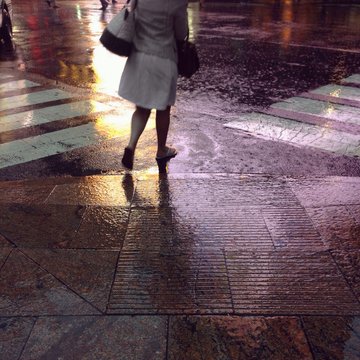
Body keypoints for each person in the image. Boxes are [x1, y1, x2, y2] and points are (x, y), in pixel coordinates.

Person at [119, 0, 188, 170]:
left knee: (141, 109)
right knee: (163, 108)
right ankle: (161, 149)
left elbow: (132, 16)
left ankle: (131, 145)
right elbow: (181, 33)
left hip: (140, 56)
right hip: (163, 59)